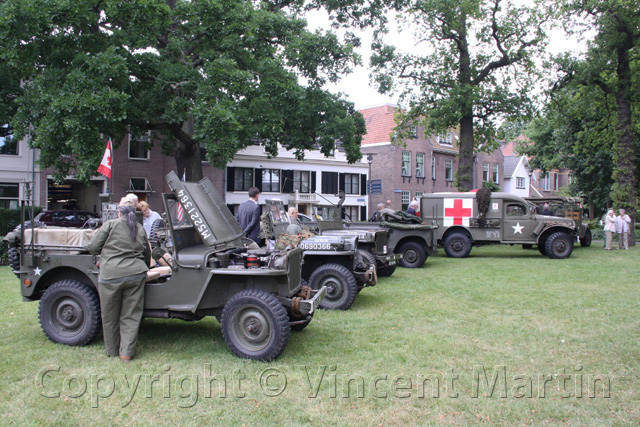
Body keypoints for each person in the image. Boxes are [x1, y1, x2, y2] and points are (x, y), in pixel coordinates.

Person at [87, 197, 151, 362]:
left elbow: (93, 248)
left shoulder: (110, 225)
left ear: (118, 212)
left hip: (110, 276)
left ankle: (112, 351)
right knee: (130, 316)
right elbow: (146, 254)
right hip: (136, 275)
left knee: (109, 315)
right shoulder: (139, 228)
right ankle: (126, 354)